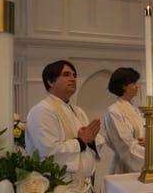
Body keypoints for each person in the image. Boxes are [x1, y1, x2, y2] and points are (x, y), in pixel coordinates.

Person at [26, 60, 103, 191]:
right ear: (50, 81)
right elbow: (48, 151)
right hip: (59, 184)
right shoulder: (42, 110)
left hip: (84, 184)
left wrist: (91, 140)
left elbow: (92, 142)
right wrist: (81, 141)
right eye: (66, 74)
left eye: (74, 75)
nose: (73, 78)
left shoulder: (78, 111)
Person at [102, 67, 145, 174]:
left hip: (141, 156)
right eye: (134, 83)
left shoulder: (134, 109)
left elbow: (140, 134)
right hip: (124, 164)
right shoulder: (113, 111)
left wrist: (146, 141)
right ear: (124, 86)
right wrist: (151, 156)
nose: (137, 86)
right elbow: (123, 144)